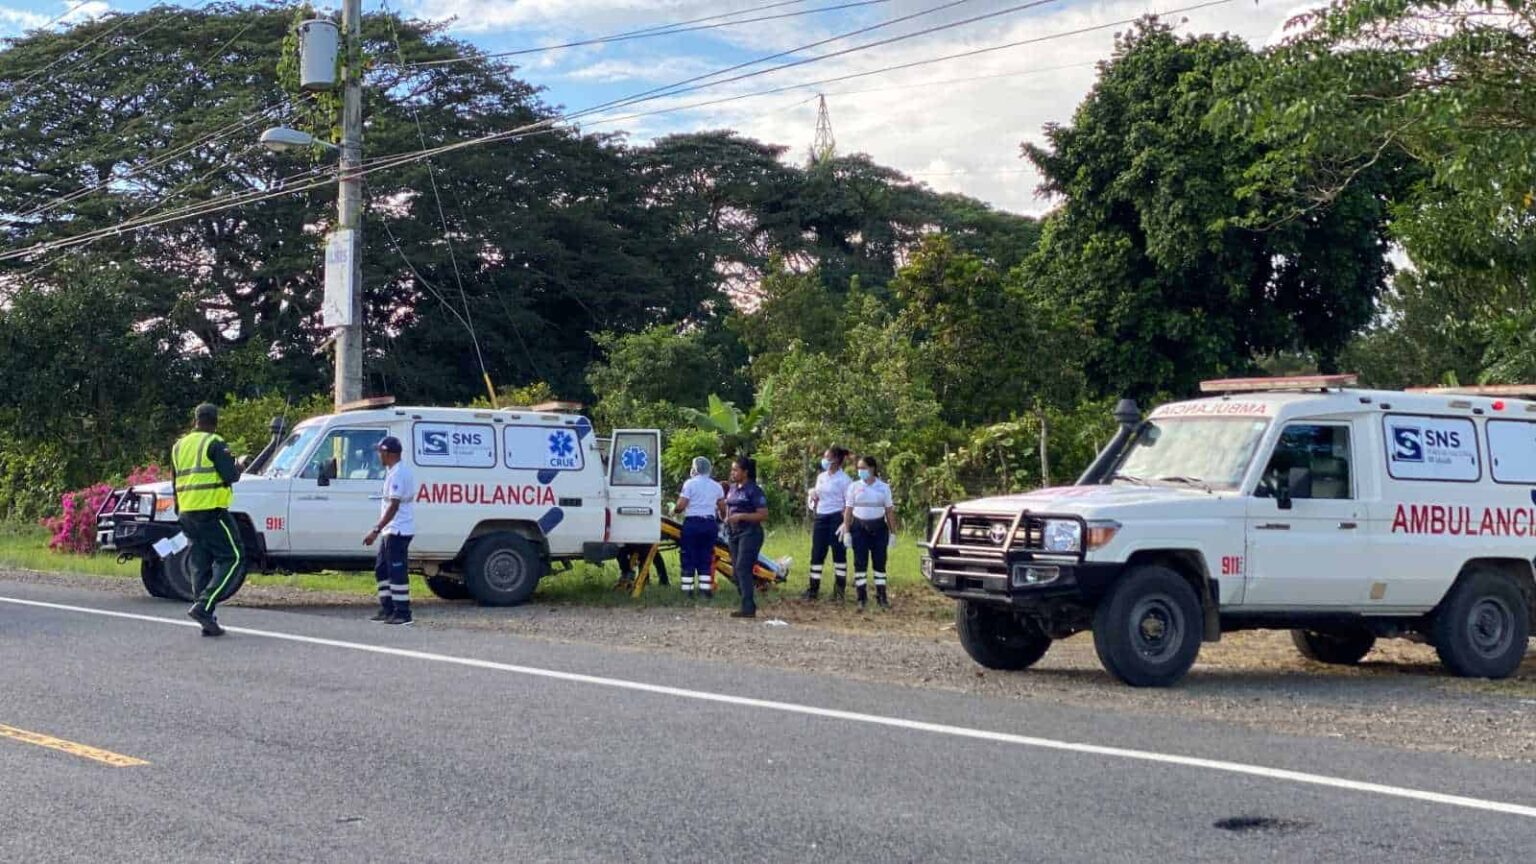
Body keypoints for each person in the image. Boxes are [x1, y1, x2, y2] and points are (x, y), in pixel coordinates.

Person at [170, 403, 244, 637]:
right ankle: (204, 605)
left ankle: (207, 618)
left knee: (200, 563)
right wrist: (239, 466)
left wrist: (179, 510)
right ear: (215, 421)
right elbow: (230, 476)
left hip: (186, 512)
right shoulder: (214, 443)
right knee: (233, 557)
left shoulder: (179, 446)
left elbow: (175, 481)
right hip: (211, 511)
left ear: (196, 420)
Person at [363, 436, 417, 625]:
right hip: (391, 530)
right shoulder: (392, 471)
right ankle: (388, 609)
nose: (379, 455)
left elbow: (393, 506)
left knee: (397, 572)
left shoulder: (398, 474)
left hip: (398, 530)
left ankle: (403, 613)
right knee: (381, 569)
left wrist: (376, 529)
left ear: (388, 453)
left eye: (381, 452)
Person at [842, 455, 898, 611]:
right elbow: (848, 511)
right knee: (860, 562)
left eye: (863, 468)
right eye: (859, 469)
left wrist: (893, 533)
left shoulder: (883, 487)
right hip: (859, 528)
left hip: (879, 528)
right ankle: (861, 597)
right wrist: (847, 531)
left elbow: (889, 511)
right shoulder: (853, 487)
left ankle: (882, 597)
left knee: (879, 562)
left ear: (872, 469)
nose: (860, 471)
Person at [721, 455, 769, 619]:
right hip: (734, 533)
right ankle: (748, 602)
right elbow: (728, 506)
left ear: (745, 472)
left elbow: (763, 514)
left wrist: (741, 516)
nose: (732, 472)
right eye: (732, 469)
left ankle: (748, 607)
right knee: (736, 571)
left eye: (736, 469)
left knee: (743, 567)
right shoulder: (733, 488)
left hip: (750, 532)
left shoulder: (754, 490)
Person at [803, 446, 852, 602]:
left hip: (836, 518)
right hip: (821, 517)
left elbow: (848, 504)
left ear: (837, 459)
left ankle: (839, 591)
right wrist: (812, 496)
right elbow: (817, 497)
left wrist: (845, 523)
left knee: (838, 554)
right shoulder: (821, 477)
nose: (824, 460)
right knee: (817, 554)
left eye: (828, 457)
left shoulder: (845, 480)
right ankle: (813, 589)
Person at [673, 456, 725, 600]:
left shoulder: (690, 484)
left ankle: (687, 592)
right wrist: (722, 519)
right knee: (706, 557)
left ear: (695, 469)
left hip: (692, 524)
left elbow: (681, 505)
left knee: (688, 556)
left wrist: (675, 510)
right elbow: (722, 507)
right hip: (709, 524)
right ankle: (704, 591)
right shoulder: (717, 486)